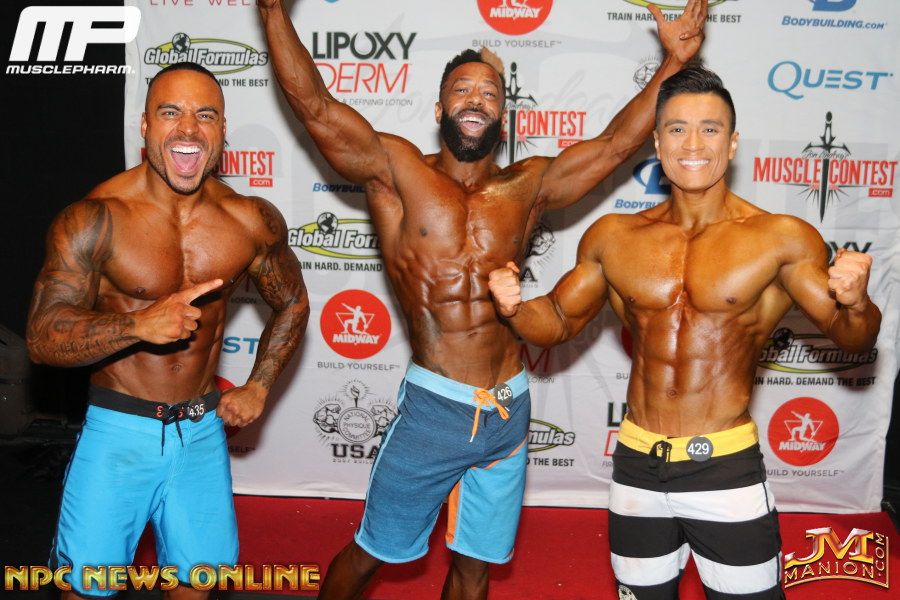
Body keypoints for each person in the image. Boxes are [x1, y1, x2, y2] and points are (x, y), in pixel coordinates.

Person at [258, 0, 707, 597]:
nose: (477, 100)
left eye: (491, 93)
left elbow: (613, 148)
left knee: (476, 564)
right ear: (439, 108)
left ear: (504, 114)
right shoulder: (395, 172)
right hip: (434, 409)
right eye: (463, 90)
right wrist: (272, 12)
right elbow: (315, 108)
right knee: (374, 551)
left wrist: (673, 64)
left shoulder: (529, 184)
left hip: (507, 409)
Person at [487, 64, 882, 600]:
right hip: (636, 465)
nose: (692, 144)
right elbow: (557, 319)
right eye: (677, 129)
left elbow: (853, 337)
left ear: (733, 143)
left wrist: (856, 304)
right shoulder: (614, 236)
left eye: (709, 129)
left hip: (725, 468)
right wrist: (514, 308)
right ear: (657, 143)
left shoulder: (780, 238)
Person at [26, 62, 309, 599]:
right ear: (145, 126)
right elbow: (42, 337)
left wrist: (259, 385)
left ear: (223, 130)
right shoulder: (94, 218)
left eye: (205, 115)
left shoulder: (250, 219)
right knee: (86, 589)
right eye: (170, 112)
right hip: (119, 432)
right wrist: (137, 324)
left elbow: (292, 302)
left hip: (200, 432)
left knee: (198, 583)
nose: (188, 129)